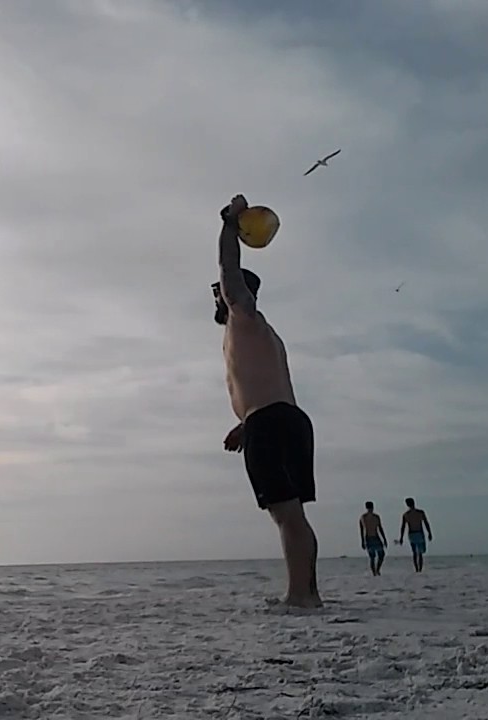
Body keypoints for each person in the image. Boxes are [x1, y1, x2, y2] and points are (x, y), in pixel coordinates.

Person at [215, 194, 322, 610]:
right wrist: (246, 424)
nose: (218, 296)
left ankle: (301, 596)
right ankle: (307, 593)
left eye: (221, 292)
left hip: (274, 422)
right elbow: (272, 385)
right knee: (292, 513)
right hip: (284, 418)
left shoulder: (244, 313)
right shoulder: (261, 334)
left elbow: (227, 268)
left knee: (286, 515)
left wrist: (229, 222)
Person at [397, 497, 433, 572]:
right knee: (420, 553)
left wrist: (401, 538)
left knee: (414, 552)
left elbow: (403, 527)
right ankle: (419, 569)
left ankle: (417, 569)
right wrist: (429, 533)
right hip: (419, 533)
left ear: (407, 505)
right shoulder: (420, 512)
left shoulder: (406, 515)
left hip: (411, 534)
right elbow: (426, 523)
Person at [359, 501, 388, 576]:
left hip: (372, 537)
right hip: (371, 537)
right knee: (374, 556)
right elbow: (362, 530)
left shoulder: (365, 517)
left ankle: (376, 570)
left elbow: (380, 528)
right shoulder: (366, 517)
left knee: (379, 555)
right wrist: (363, 541)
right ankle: (375, 571)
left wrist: (384, 539)